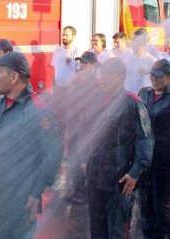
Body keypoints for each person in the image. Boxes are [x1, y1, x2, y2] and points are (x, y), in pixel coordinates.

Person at [0, 51, 62, 239]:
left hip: (18, 199)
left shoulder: (37, 108)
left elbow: (53, 154)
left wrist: (35, 193)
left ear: (14, 77)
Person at [86, 58, 153, 239]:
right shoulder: (95, 100)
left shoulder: (134, 103)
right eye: (102, 74)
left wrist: (135, 172)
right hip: (95, 178)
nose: (103, 78)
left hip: (119, 180)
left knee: (116, 231)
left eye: (109, 74)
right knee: (97, 229)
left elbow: (145, 140)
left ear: (121, 76)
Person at [139, 59, 170, 239]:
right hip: (145, 158)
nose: (154, 79)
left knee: (160, 203)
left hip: (163, 159)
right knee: (145, 202)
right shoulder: (144, 93)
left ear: (168, 77)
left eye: (159, 76)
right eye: (152, 75)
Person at [65, 51, 100, 204]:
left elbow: (94, 108)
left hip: (86, 126)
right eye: (81, 62)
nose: (82, 65)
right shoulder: (77, 80)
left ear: (93, 65)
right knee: (73, 159)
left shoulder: (97, 83)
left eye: (86, 62)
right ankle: (76, 189)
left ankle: (85, 192)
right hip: (74, 124)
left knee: (83, 160)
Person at [125, 29, 157, 94]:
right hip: (128, 96)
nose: (134, 43)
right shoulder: (127, 57)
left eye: (137, 41)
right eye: (133, 40)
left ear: (144, 42)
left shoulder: (151, 61)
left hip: (142, 99)